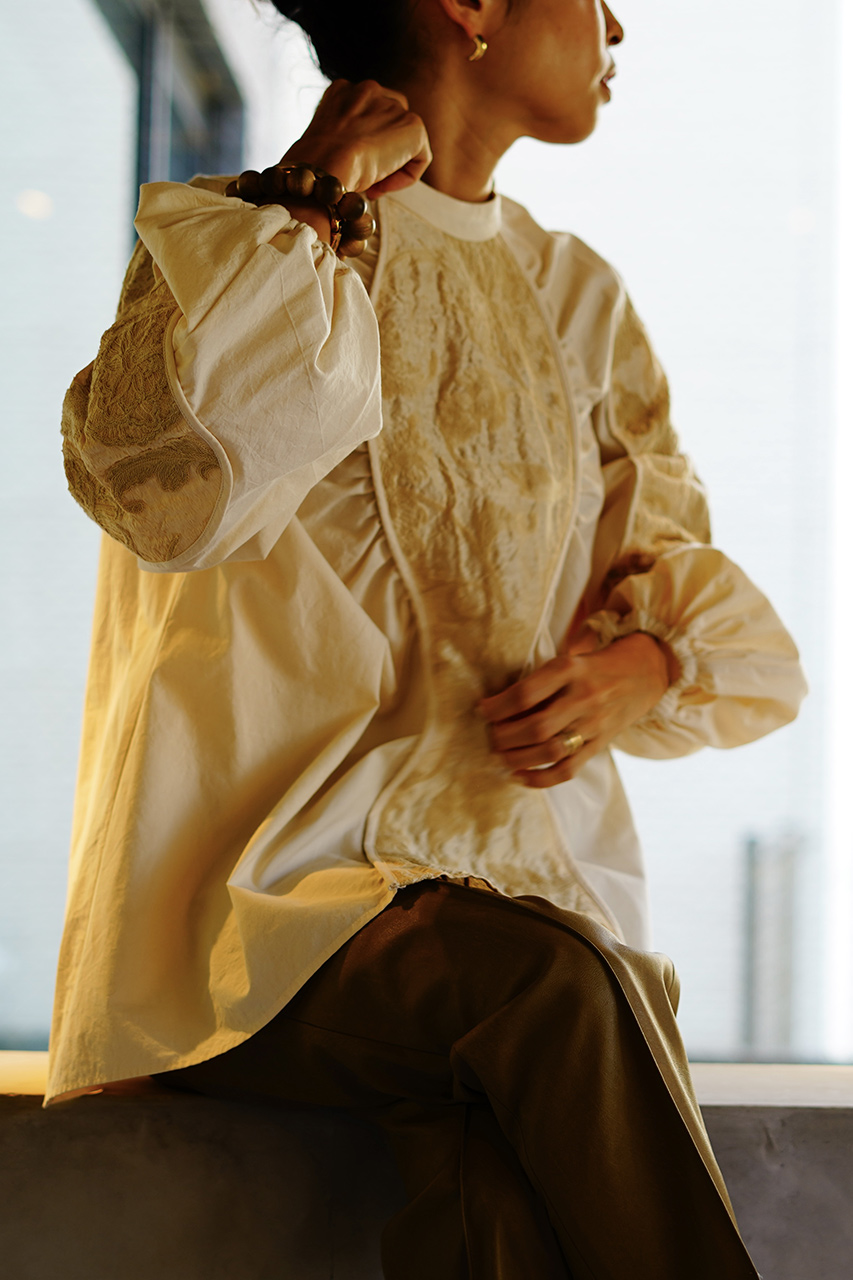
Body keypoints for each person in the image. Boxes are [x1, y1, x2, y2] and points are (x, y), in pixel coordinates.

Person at [51, 0, 806, 1275]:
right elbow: (157, 489)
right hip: (265, 927)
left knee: (500, 1175)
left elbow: (689, 591)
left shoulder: (576, 295)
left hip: (522, 926)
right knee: (546, 986)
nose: (618, 24)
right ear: (471, 6)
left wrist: (639, 666)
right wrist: (308, 195)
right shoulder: (248, 240)